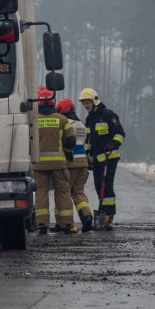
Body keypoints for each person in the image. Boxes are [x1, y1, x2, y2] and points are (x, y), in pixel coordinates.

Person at [79, 87, 125, 230]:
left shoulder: (109, 115)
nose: (86, 106)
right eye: (84, 103)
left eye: (87, 103)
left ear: (95, 101)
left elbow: (120, 133)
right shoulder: (89, 119)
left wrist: (114, 144)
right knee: (99, 186)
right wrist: (88, 158)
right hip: (97, 160)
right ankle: (103, 215)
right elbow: (88, 141)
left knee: (107, 186)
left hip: (109, 158)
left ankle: (108, 217)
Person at [33, 88, 78, 234]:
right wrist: (68, 153)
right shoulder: (62, 119)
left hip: (38, 164)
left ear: (39, 102)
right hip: (59, 164)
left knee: (40, 193)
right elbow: (71, 141)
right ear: (53, 102)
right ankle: (67, 224)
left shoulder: (33, 120)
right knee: (63, 192)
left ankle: (42, 225)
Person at [56, 98, 93, 232]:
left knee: (63, 193)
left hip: (70, 162)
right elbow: (87, 145)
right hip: (83, 162)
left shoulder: (65, 123)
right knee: (78, 192)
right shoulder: (81, 124)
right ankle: (87, 215)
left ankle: (63, 223)